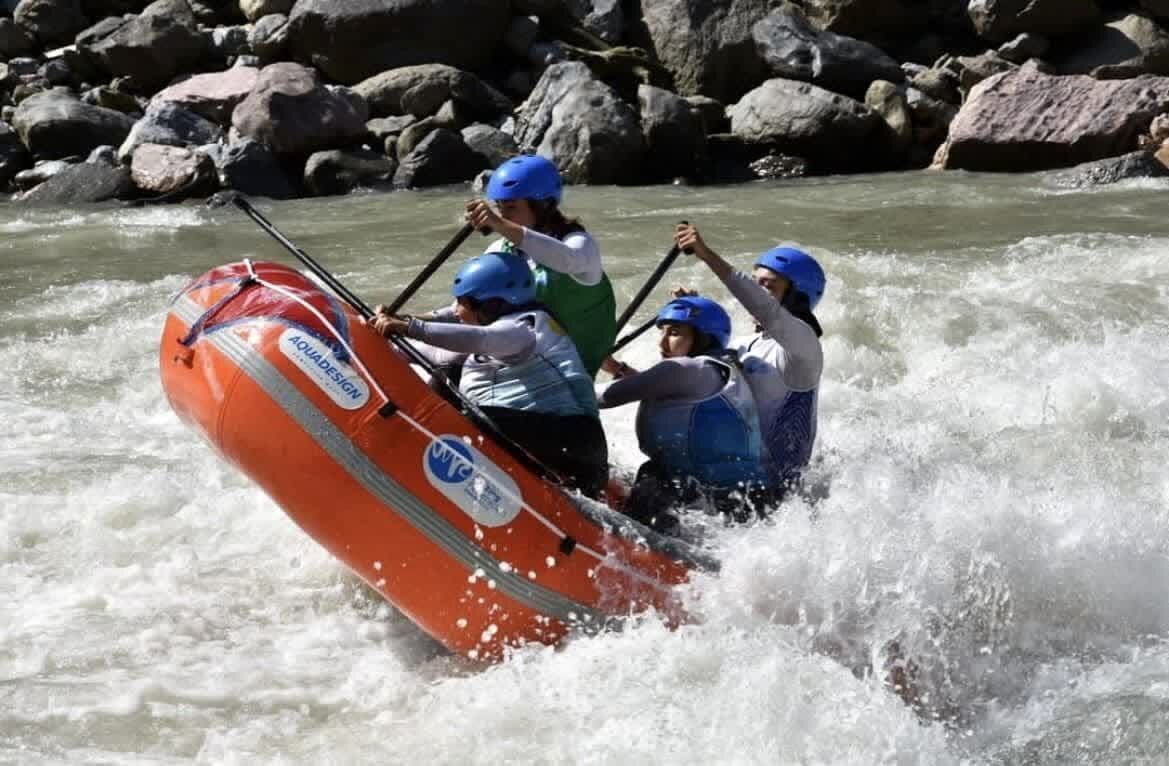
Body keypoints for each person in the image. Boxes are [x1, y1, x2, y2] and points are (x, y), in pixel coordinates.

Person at [372, 251, 608, 498]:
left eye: (463, 302)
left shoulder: (523, 328)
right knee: (449, 375)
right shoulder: (496, 330)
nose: (456, 312)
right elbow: (431, 350)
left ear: (492, 305)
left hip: (579, 443)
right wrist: (384, 333)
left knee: (474, 419)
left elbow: (478, 338)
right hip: (550, 435)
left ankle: (432, 463)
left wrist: (410, 327)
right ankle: (404, 440)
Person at [673, 223, 825, 491]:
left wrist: (707, 255)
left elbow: (765, 308)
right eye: (757, 284)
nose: (758, 293)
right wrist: (693, 323)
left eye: (769, 286)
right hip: (728, 474)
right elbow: (701, 373)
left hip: (773, 491)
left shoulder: (804, 348)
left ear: (796, 298)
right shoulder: (745, 344)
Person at [599, 296, 770, 531]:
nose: (662, 343)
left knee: (652, 476)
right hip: (743, 496)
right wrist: (616, 368)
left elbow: (606, 397)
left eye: (675, 333)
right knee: (653, 473)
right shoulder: (712, 370)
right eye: (662, 332)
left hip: (722, 499)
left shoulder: (691, 369)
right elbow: (659, 387)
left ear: (703, 338)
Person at [464, 155, 617, 380]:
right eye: (499, 208)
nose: (503, 215)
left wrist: (498, 223)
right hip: (521, 363)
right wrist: (412, 321)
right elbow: (466, 305)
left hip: (568, 377)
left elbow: (565, 260)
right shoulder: (500, 248)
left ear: (543, 206)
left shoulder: (581, 244)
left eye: (511, 207)